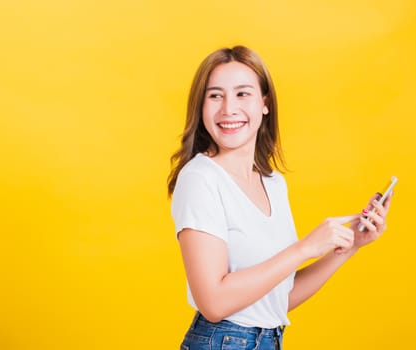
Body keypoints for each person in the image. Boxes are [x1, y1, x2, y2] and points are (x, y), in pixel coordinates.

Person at [167, 45, 392, 350]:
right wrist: (305, 248)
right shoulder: (200, 179)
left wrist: (349, 247)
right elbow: (214, 303)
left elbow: (277, 301)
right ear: (201, 105)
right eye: (215, 95)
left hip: (268, 341)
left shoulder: (273, 184)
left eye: (242, 94)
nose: (228, 109)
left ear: (265, 103)